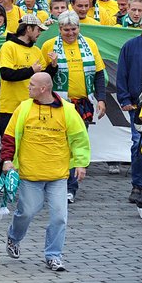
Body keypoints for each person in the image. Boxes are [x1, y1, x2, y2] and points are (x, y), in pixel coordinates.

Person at [1, 72, 91, 272]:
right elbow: (9, 137)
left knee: (59, 217)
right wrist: (7, 160)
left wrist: (81, 163)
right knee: (27, 212)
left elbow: (79, 139)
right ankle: (14, 238)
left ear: (44, 89)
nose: (28, 87)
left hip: (58, 176)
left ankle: (53, 255)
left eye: (32, 85)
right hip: (29, 175)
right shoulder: (23, 108)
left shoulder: (67, 111)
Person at [40, 11, 107, 203]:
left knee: (76, 144)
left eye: (74, 29)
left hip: (81, 104)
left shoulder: (90, 44)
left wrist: (101, 99)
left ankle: (70, 187)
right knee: (56, 146)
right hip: (58, 104)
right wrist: (52, 66)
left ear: (79, 28)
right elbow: (43, 79)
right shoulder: (49, 45)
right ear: (59, 29)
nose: (70, 33)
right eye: (66, 30)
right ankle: (54, 183)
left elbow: (99, 74)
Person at [0, 13, 47, 176]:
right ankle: (2, 178)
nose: (39, 33)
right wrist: (31, 70)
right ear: (28, 29)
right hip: (10, 107)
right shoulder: (8, 47)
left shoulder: (37, 51)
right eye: (38, 30)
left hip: (31, 107)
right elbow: (6, 74)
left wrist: (53, 67)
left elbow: (43, 77)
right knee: (9, 147)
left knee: (27, 146)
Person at [115, 21, 142, 207]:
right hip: (137, 106)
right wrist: (124, 99)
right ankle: (138, 185)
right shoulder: (130, 46)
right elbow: (122, 73)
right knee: (138, 145)